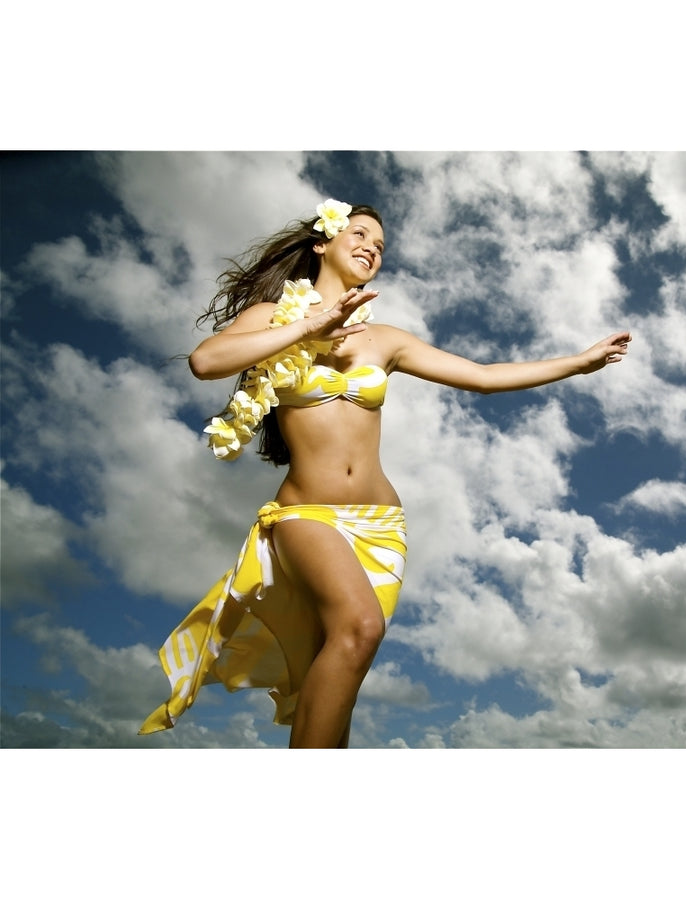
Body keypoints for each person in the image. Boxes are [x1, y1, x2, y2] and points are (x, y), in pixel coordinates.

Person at [140, 199, 631, 748]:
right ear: (322, 243)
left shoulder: (386, 340)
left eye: (381, 244)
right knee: (360, 628)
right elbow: (206, 362)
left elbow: (484, 376)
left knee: (341, 674)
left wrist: (577, 362)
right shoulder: (274, 317)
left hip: (381, 526)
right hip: (306, 514)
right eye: (360, 233)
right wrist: (309, 326)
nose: (373, 246)